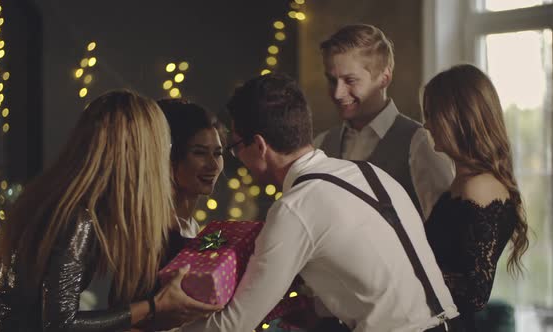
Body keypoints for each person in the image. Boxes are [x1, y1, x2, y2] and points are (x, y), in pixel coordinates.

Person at [177, 73, 460, 332]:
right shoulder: (369, 173)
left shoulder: (295, 208)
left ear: (260, 146)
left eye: (236, 147)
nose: (237, 160)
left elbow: (235, 324)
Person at [0, 90, 221, 332]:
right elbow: (60, 324)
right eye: (159, 146)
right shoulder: (77, 216)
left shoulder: (60, 200)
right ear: (135, 150)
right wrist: (153, 306)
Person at [422, 64, 530, 331]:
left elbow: (476, 293)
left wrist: (409, 274)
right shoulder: (463, 181)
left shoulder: (479, 187)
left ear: (458, 118)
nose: (427, 124)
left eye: (432, 115)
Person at [315, 24, 453, 219]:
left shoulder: (420, 143)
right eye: (331, 80)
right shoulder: (321, 144)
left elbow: (443, 229)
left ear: (384, 78)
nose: (338, 93)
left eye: (350, 80)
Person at [156, 98, 225, 259]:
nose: (213, 165)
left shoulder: (191, 226)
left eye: (218, 154)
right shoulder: (155, 228)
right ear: (170, 157)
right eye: (199, 153)